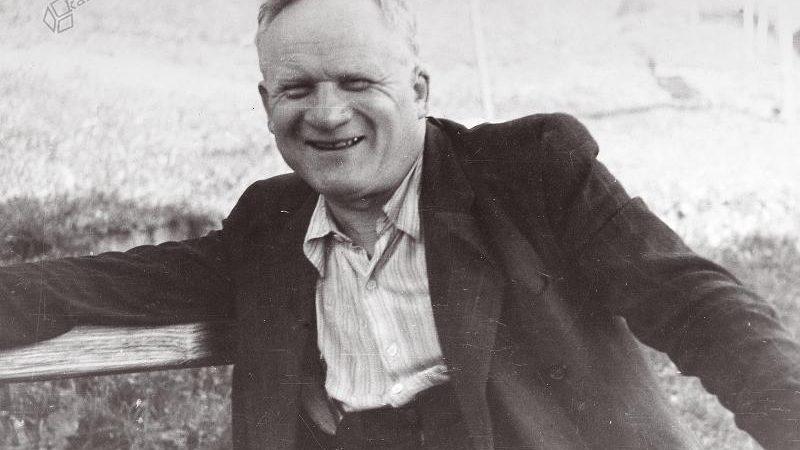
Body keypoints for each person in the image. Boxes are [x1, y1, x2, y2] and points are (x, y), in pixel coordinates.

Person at [2, 0, 800, 448]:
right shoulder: (268, 223)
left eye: (357, 82)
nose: (327, 114)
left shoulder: (530, 173)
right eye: (297, 89)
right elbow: (109, 283)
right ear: (265, 103)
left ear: (418, 89)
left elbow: (699, 305)